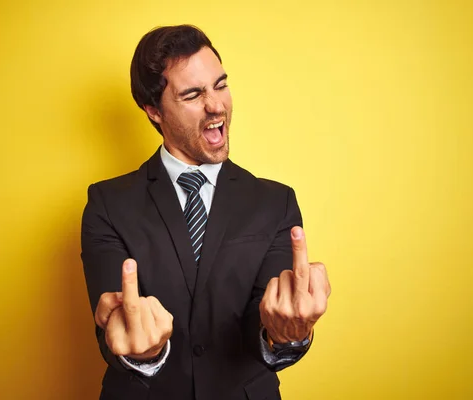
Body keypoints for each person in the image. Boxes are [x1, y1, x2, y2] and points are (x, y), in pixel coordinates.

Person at [81, 24, 331, 400]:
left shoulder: (276, 202)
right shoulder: (107, 204)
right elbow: (115, 329)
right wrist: (144, 353)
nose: (216, 105)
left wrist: (286, 335)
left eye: (220, 85)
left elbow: (264, 325)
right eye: (193, 94)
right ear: (153, 111)